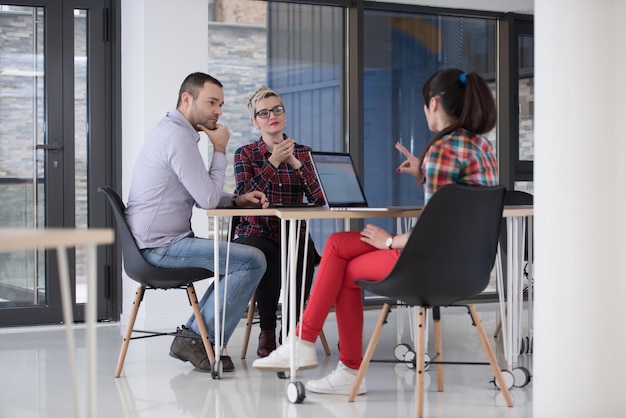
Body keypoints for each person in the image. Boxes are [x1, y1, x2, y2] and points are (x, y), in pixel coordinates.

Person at [252, 68, 499, 395]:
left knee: (343, 262)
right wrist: (423, 172)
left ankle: (328, 357)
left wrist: (391, 240)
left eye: (425, 104)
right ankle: (313, 348)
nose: (425, 111)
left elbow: (436, 231)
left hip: (429, 265)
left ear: (435, 104)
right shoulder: (482, 148)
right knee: (340, 248)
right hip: (470, 269)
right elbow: (460, 210)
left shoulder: (441, 150)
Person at [125, 72, 270, 373]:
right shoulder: (176, 136)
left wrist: (236, 200)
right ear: (186, 99)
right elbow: (206, 199)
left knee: (233, 260)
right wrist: (219, 149)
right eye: (212, 102)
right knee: (252, 260)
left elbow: (201, 189)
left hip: (156, 243)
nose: (218, 110)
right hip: (159, 248)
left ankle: (194, 339)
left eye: (221, 104)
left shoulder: (173, 132)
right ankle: (200, 340)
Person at [232, 85, 325, 357]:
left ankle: (293, 331)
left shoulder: (304, 153)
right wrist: (273, 162)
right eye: (264, 112)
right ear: (254, 121)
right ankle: (268, 329)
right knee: (268, 254)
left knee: (303, 254)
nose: (272, 115)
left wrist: (295, 162)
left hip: (293, 232)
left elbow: (320, 199)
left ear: (284, 114)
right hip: (256, 231)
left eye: (277, 109)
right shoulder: (245, 154)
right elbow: (246, 196)